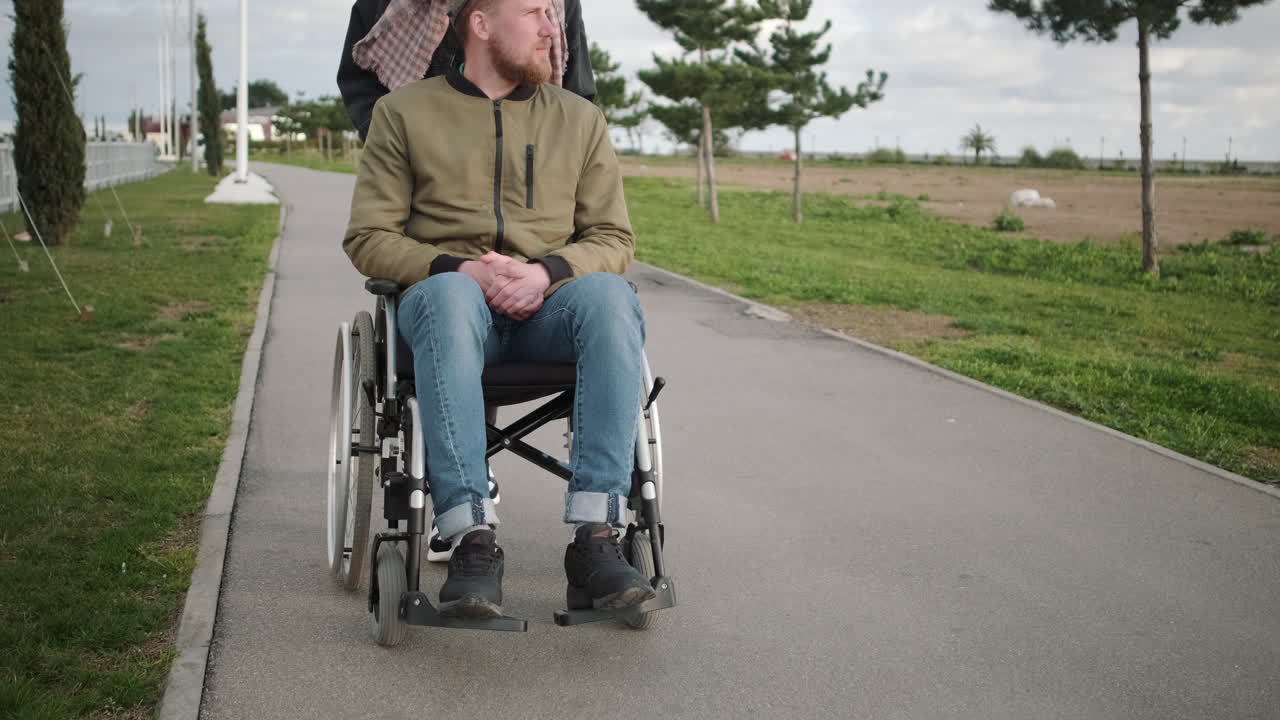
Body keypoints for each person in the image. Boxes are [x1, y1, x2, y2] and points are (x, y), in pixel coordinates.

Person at [343, 0, 654, 619]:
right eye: (534, 13)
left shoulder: (580, 118)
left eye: (552, 14)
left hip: (549, 312)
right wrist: (464, 270)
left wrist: (545, 272)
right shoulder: (402, 114)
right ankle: (471, 537)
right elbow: (369, 236)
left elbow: (613, 239)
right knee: (450, 296)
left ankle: (596, 538)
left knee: (613, 297)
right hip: (452, 314)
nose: (551, 29)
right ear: (480, 24)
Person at [337, 0, 595, 142]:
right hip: (423, 176)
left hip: (527, 166)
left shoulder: (562, 5)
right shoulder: (382, 5)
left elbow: (577, 92)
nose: (547, 28)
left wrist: (553, 158)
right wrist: (398, 150)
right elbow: (359, 80)